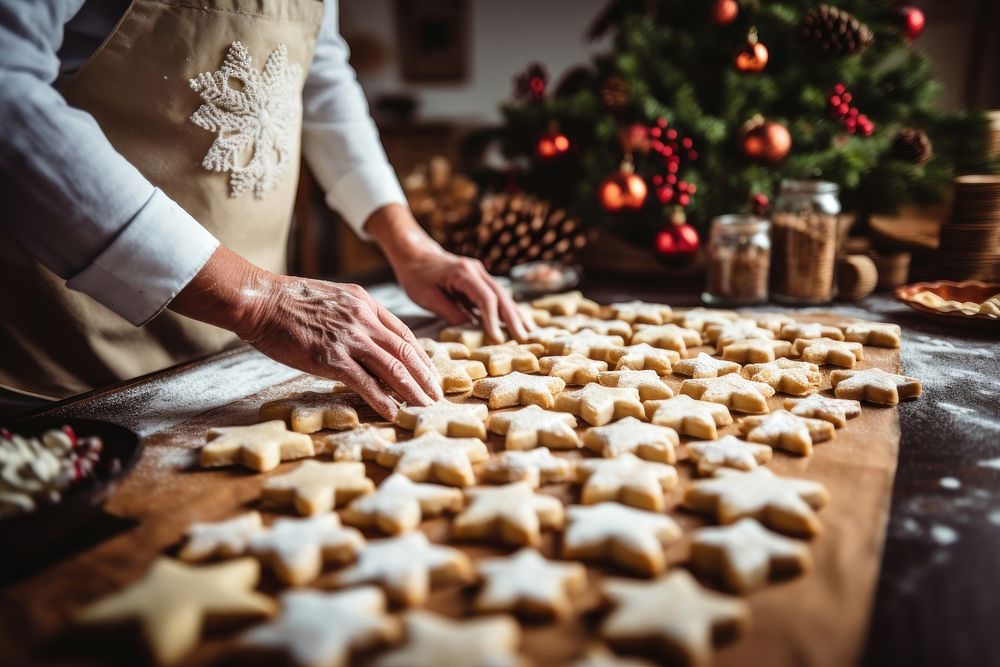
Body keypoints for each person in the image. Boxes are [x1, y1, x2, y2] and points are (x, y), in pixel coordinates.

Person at [0, 0, 531, 420]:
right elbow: (8, 93)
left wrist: (410, 246)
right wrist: (257, 303)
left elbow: (318, 76)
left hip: (247, 360)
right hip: (65, 348)